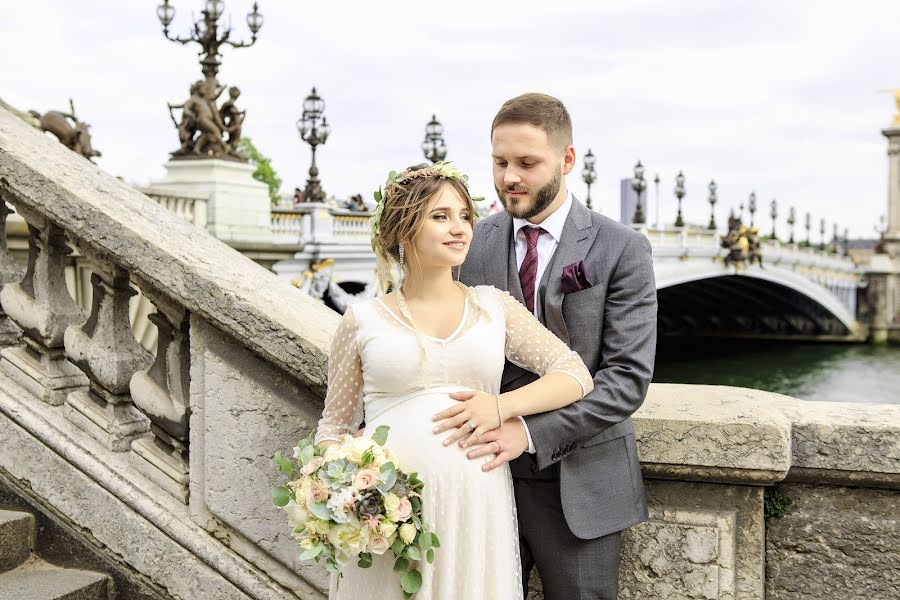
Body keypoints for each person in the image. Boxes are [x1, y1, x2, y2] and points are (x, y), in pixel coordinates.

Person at [314, 162, 594, 599]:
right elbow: (334, 428)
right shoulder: (361, 320)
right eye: (441, 216)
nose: (460, 228)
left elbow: (574, 374)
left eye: (465, 216)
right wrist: (346, 495)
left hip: (475, 508)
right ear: (403, 228)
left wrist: (501, 408)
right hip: (388, 521)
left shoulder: (493, 307)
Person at [455, 93, 658, 599]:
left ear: (567, 160)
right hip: (478, 480)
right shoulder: (467, 242)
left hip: (582, 485)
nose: (509, 178)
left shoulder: (622, 249)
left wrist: (527, 432)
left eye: (527, 163)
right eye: (500, 162)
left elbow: (626, 379)